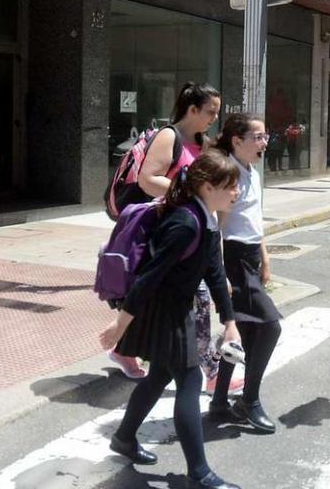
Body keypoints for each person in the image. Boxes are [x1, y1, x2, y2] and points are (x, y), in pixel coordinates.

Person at [99, 151, 242, 489]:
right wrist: (120, 325)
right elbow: (149, 277)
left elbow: (215, 272)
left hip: (176, 309)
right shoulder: (186, 222)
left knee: (160, 375)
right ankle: (199, 473)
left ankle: (123, 438)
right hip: (165, 312)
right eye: (231, 186)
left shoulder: (205, 217)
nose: (237, 192)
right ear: (208, 187)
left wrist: (230, 320)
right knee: (190, 382)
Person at [107, 82, 239, 396]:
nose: (213, 118)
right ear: (191, 109)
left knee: (169, 301)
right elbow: (147, 179)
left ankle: (127, 349)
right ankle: (211, 370)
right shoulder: (170, 136)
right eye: (210, 112)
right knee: (200, 298)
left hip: (194, 233)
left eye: (217, 113)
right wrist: (188, 194)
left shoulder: (202, 142)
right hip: (171, 231)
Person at [208, 114, 283, 433]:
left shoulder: (251, 171)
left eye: (266, 136)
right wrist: (219, 271)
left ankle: (219, 402)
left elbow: (255, 219)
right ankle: (248, 401)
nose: (264, 142)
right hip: (234, 257)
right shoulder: (229, 173)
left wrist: (265, 259)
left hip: (251, 256)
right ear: (237, 141)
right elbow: (217, 227)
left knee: (245, 332)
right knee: (270, 327)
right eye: (258, 137)